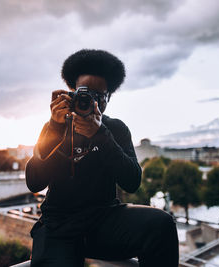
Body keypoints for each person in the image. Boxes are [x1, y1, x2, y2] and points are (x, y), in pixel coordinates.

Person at [26, 49, 179, 267]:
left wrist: (100, 136)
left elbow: (132, 181)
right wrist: (55, 128)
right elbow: (34, 181)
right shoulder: (54, 126)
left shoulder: (115, 129)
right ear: (71, 93)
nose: (91, 101)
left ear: (108, 99)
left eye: (99, 96)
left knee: (161, 223)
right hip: (58, 225)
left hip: (105, 220)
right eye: (84, 94)